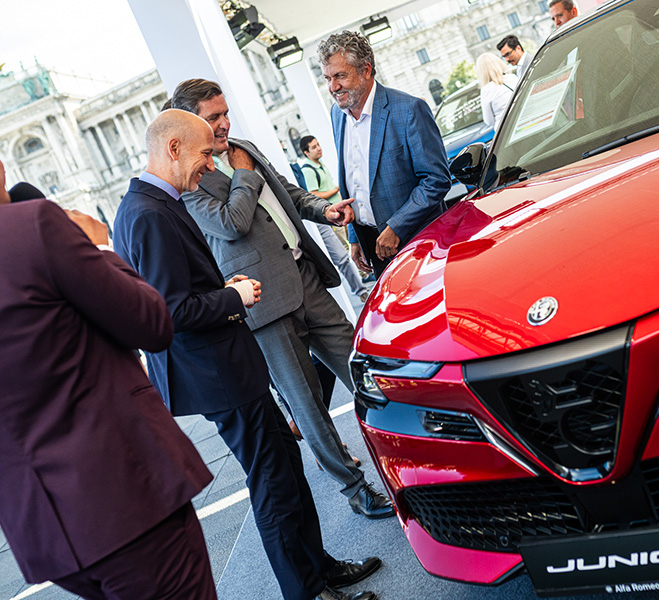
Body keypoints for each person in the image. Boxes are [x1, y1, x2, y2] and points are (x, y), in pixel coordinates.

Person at [112, 109, 380, 600]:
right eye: (203, 154)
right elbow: (170, 312)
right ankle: (308, 591)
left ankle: (319, 571)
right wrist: (233, 297)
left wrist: (223, 287)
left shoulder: (154, 204)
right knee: (274, 485)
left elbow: (181, 291)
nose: (208, 164)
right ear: (173, 148)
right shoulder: (149, 214)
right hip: (219, 375)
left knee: (286, 471)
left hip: (229, 367)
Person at [170, 79, 390, 520]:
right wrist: (244, 173)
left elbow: (285, 194)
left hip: (305, 276)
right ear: (192, 123)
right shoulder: (189, 178)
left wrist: (320, 209)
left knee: (364, 368)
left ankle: (409, 457)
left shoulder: (244, 147)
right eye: (213, 118)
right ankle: (355, 488)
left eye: (225, 113)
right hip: (263, 303)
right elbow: (232, 222)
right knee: (307, 405)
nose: (224, 123)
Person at [0, 156, 217, 599]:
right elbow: (151, 324)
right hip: (127, 497)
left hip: (43, 529)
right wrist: (98, 248)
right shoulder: (34, 226)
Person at [318, 31, 451, 278]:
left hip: (419, 242)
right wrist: (355, 236)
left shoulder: (409, 109)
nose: (332, 87)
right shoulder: (338, 115)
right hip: (372, 246)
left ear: (366, 70)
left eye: (340, 76)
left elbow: (437, 180)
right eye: (327, 78)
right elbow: (353, 183)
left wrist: (396, 227)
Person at [298, 134, 369, 303]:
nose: (319, 148)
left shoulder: (320, 165)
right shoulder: (308, 170)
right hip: (333, 216)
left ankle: (363, 276)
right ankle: (360, 286)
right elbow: (313, 195)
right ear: (306, 153)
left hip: (342, 211)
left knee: (355, 243)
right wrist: (335, 190)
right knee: (346, 251)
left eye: (318, 145)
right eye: (314, 147)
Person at [475, 53, 516, 132]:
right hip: (524, 122)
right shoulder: (513, 78)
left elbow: (489, 121)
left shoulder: (486, 90)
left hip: (505, 132)